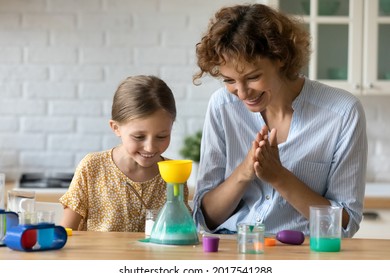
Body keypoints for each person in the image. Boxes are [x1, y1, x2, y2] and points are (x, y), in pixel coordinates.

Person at [192, 3, 367, 238]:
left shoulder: (343, 113)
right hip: (231, 251)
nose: (242, 93)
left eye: (253, 77)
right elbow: (206, 219)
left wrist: (278, 176)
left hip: (304, 254)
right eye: (229, 80)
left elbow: (344, 225)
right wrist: (245, 172)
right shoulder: (222, 106)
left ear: (281, 58)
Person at [60, 75, 191, 231]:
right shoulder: (92, 167)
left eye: (162, 136)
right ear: (116, 128)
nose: (150, 147)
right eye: (139, 137)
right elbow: (65, 234)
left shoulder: (174, 175)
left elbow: (180, 235)